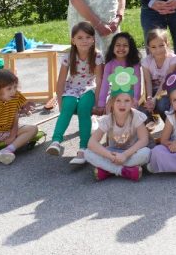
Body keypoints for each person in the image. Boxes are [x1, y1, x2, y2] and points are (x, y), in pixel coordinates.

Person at [47, 22, 105, 165]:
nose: (84, 40)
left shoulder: (97, 56)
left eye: (88, 37)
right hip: (71, 88)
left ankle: (83, 148)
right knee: (68, 107)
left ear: (93, 39)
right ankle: (56, 141)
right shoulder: (69, 56)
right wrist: (60, 103)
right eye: (79, 37)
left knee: (84, 108)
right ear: (73, 40)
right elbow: (60, 82)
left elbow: (100, 79)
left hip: (89, 88)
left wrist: (97, 103)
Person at [85, 68, 150, 181]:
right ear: (112, 103)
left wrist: (125, 155)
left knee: (146, 153)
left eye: (126, 101)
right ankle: (123, 171)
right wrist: (110, 156)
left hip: (130, 153)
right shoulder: (108, 119)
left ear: (132, 103)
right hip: (112, 153)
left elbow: (144, 140)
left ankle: (107, 170)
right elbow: (92, 143)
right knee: (87, 153)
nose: (122, 105)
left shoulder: (136, 116)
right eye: (118, 101)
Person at [96, 32, 143, 116]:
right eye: (118, 45)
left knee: (130, 115)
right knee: (110, 113)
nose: (121, 48)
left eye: (125, 45)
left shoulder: (134, 64)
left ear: (130, 48)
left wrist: (136, 100)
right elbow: (105, 85)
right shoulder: (109, 64)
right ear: (112, 47)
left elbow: (137, 84)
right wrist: (101, 103)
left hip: (131, 97)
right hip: (115, 96)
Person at [142, 28, 176, 119]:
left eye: (161, 45)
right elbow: (148, 82)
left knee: (162, 105)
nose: (158, 50)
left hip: (168, 90)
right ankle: (151, 120)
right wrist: (149, 98)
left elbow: (166, 80)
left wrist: (155, 98)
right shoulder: (146, 62)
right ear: (148, 48)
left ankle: (171, 127)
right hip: (152, 90)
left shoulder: (173, 59)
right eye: (153, 47)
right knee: (142, 108)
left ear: (167, 44)